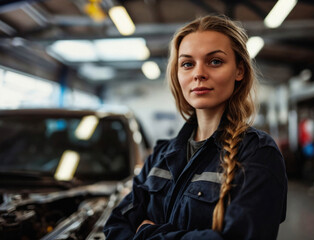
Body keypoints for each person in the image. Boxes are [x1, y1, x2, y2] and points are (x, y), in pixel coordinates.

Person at [103, 14, 287, 240]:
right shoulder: (161, 156)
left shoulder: (257, 154)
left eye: (215, 61)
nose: (199, 74)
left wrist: (146, 234)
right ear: (178, 74)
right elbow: (115, 224)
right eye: (188, 64)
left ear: (239, 71)